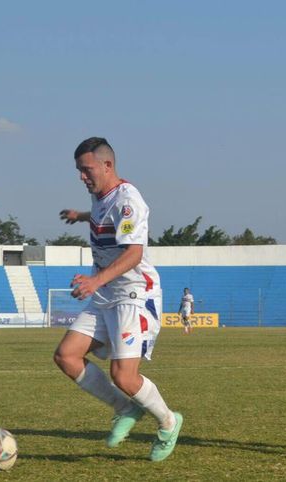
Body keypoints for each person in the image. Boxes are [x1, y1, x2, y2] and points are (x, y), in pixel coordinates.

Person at [54, 137, 182, 462]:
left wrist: (96, 279)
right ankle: (124, 407)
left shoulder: (129, 201)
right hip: (106, 292)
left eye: (86, 169)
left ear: (107, 165)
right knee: (67, 356)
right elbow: (100, 216)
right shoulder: (100, 197)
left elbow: (134, 253)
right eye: (79, 171)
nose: (82, 176)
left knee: (123, 375)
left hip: (134, 294)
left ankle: (168, 422)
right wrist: (81, 215)